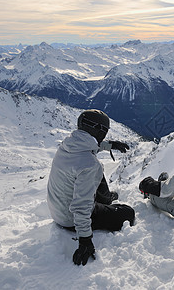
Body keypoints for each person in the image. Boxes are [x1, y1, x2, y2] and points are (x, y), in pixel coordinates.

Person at [47, 109, 135, 266]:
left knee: (97, 171)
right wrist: (85, 240)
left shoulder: (66, 146)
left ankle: (106, 200)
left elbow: (87, 146)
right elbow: (81, 206)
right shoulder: (89, 163)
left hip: (57, 211)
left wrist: (109, 145)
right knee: (128, 212)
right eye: (104, 132)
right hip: (70, 219)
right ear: (99, 131)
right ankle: (107, 204)